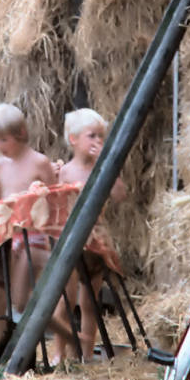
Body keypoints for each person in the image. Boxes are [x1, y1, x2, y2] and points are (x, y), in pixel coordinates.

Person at [52, 108, 127, 364]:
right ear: (73, 140)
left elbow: (120, 195)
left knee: (90, 302)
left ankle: (85, 355)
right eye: (92, 136)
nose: (98, 141)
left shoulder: (103, 169)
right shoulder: (64, 172)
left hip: (96, 240)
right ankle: (59, 354)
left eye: (101, 137)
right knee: (65, 299)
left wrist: (107, 165)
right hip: (70, 240)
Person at [0, 103, 58, 359]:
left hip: (35, 239)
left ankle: (24, 351)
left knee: (20, 298)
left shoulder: (40, 162)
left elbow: (55, 203)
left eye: (4, 139)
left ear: (21, 133)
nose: (0, 146)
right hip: (8, 241)